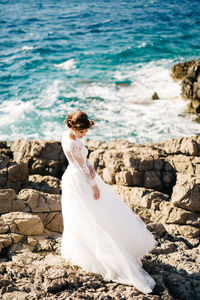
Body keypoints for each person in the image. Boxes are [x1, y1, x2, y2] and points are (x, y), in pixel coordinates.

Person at [61, 109, 157, 294]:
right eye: (82, 132)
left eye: (85, 132)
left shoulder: (67, 135)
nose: (84, 135)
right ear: (73, 127)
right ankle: (105, 255)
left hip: (73, 177)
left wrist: (89, 166)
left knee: (88, 214)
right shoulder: (73, 145)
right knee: (92, 215)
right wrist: (94, 184)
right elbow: (81, 166)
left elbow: (81, 162)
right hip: (81, 180)